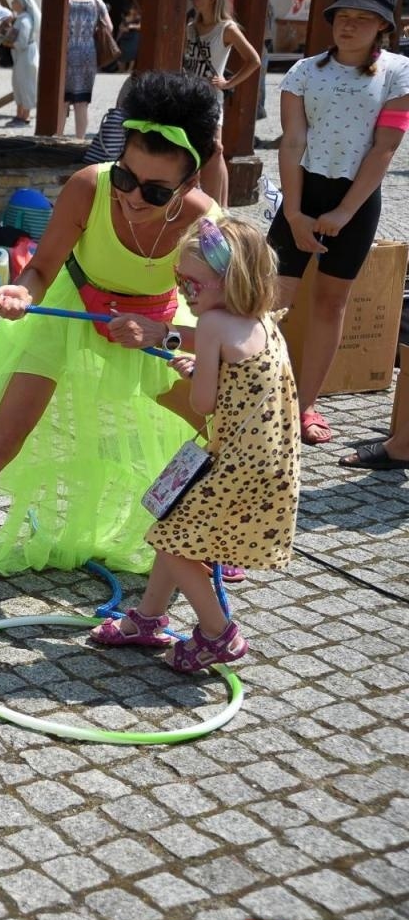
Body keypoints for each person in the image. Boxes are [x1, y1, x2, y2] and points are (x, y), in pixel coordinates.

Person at [0, 72, 223, 628]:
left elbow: (229, 320)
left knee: (215, 429)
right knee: (1, 437)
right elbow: (41, 268)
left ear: (189, 182)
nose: (134, 197)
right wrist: (21, 291)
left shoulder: (207, 219)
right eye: (128, 177)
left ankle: (204, 541)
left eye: (156, 192)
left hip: (155, 325)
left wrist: (163, 335)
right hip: (72, 312)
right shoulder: (90, 184)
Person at [91, 216, 298, 671]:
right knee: (175, 526)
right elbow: (238, 382)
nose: (185, 291)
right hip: (269, 461)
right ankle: (147, 619)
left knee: (172, 543)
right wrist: (206, 368)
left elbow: (204, 403)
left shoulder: (212, 326)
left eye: (193, 282)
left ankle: (217, 633)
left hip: (235, 463)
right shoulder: (261, 319)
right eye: (180, 280)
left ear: (230, 278)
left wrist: (196, 370)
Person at [268, 0, 409, 446]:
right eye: (343, 16)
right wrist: (293, 213)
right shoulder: (304, 72)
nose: (349, 26)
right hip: (301, 195)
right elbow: (291, 141)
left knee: (331, 304)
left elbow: (385, 148)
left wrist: (344, 214)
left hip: (356, 201)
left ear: (383, 26)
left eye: (363, 18)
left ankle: (305, 405)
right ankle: (259, 396)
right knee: (270, 302)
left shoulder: (398, 72)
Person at [184, 0, 262, 205]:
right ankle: (199, 199)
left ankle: (219, 204)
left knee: (215, 149)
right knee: (191, 146)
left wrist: (228, 83)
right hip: (189, 95)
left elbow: (253, 60)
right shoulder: (190, 28)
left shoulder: (226, 29)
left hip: (210, 97)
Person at [60, 0, 112, 139]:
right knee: (82, 102)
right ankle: (79, 140)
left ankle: (57, 138)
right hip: (88, 54)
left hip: (66, 54)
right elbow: (109, 27)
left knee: (63, 101)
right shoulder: (96, 2)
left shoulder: (66, 2)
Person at [0, 0, 40, 128]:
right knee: (18, 84)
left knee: (25, 85)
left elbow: (22, 43)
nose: (12, 3)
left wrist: (8, 42)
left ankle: (25, 116)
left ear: (22, 3)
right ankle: (19, 114)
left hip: (25, 57)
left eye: (14, 1)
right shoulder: (22, 18)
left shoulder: (25, 20)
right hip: (21, 58)